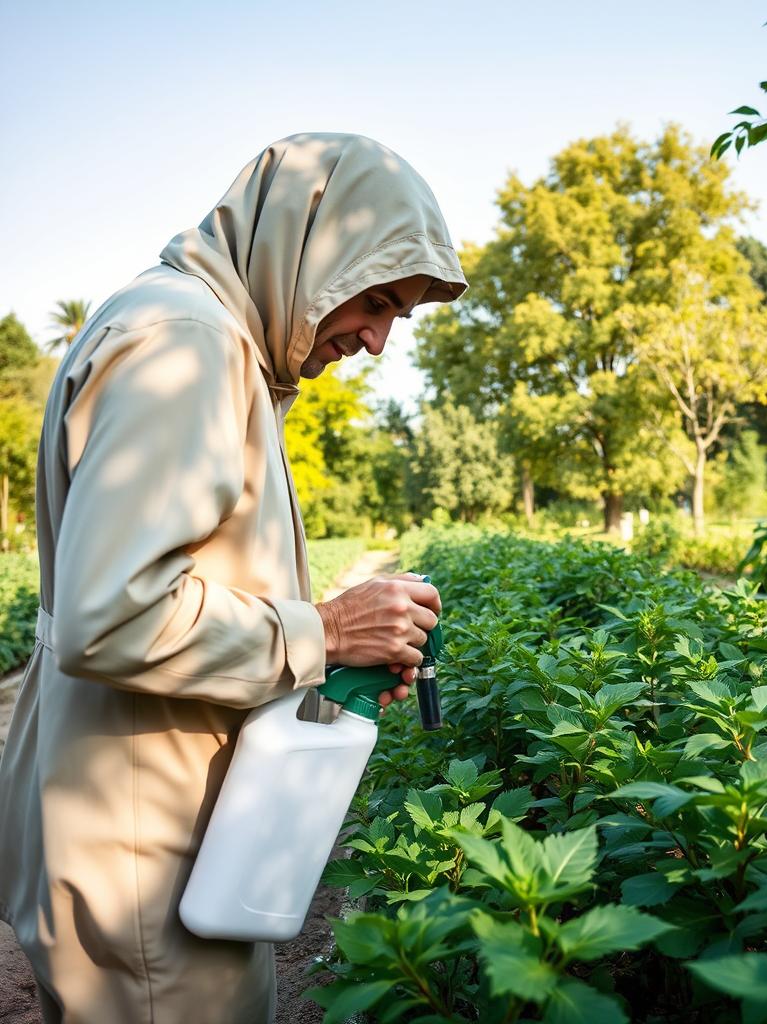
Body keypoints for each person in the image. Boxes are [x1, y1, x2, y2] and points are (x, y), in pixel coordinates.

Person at [0, 133, 467, 1023]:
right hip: (142, 856)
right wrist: (326, 631)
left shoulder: (203, 342)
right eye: (375, 300)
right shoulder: (188, 345)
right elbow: (115, 615)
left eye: (397, 315)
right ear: (308, 246)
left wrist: (332, 658)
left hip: (148, 827)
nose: (376, 340)